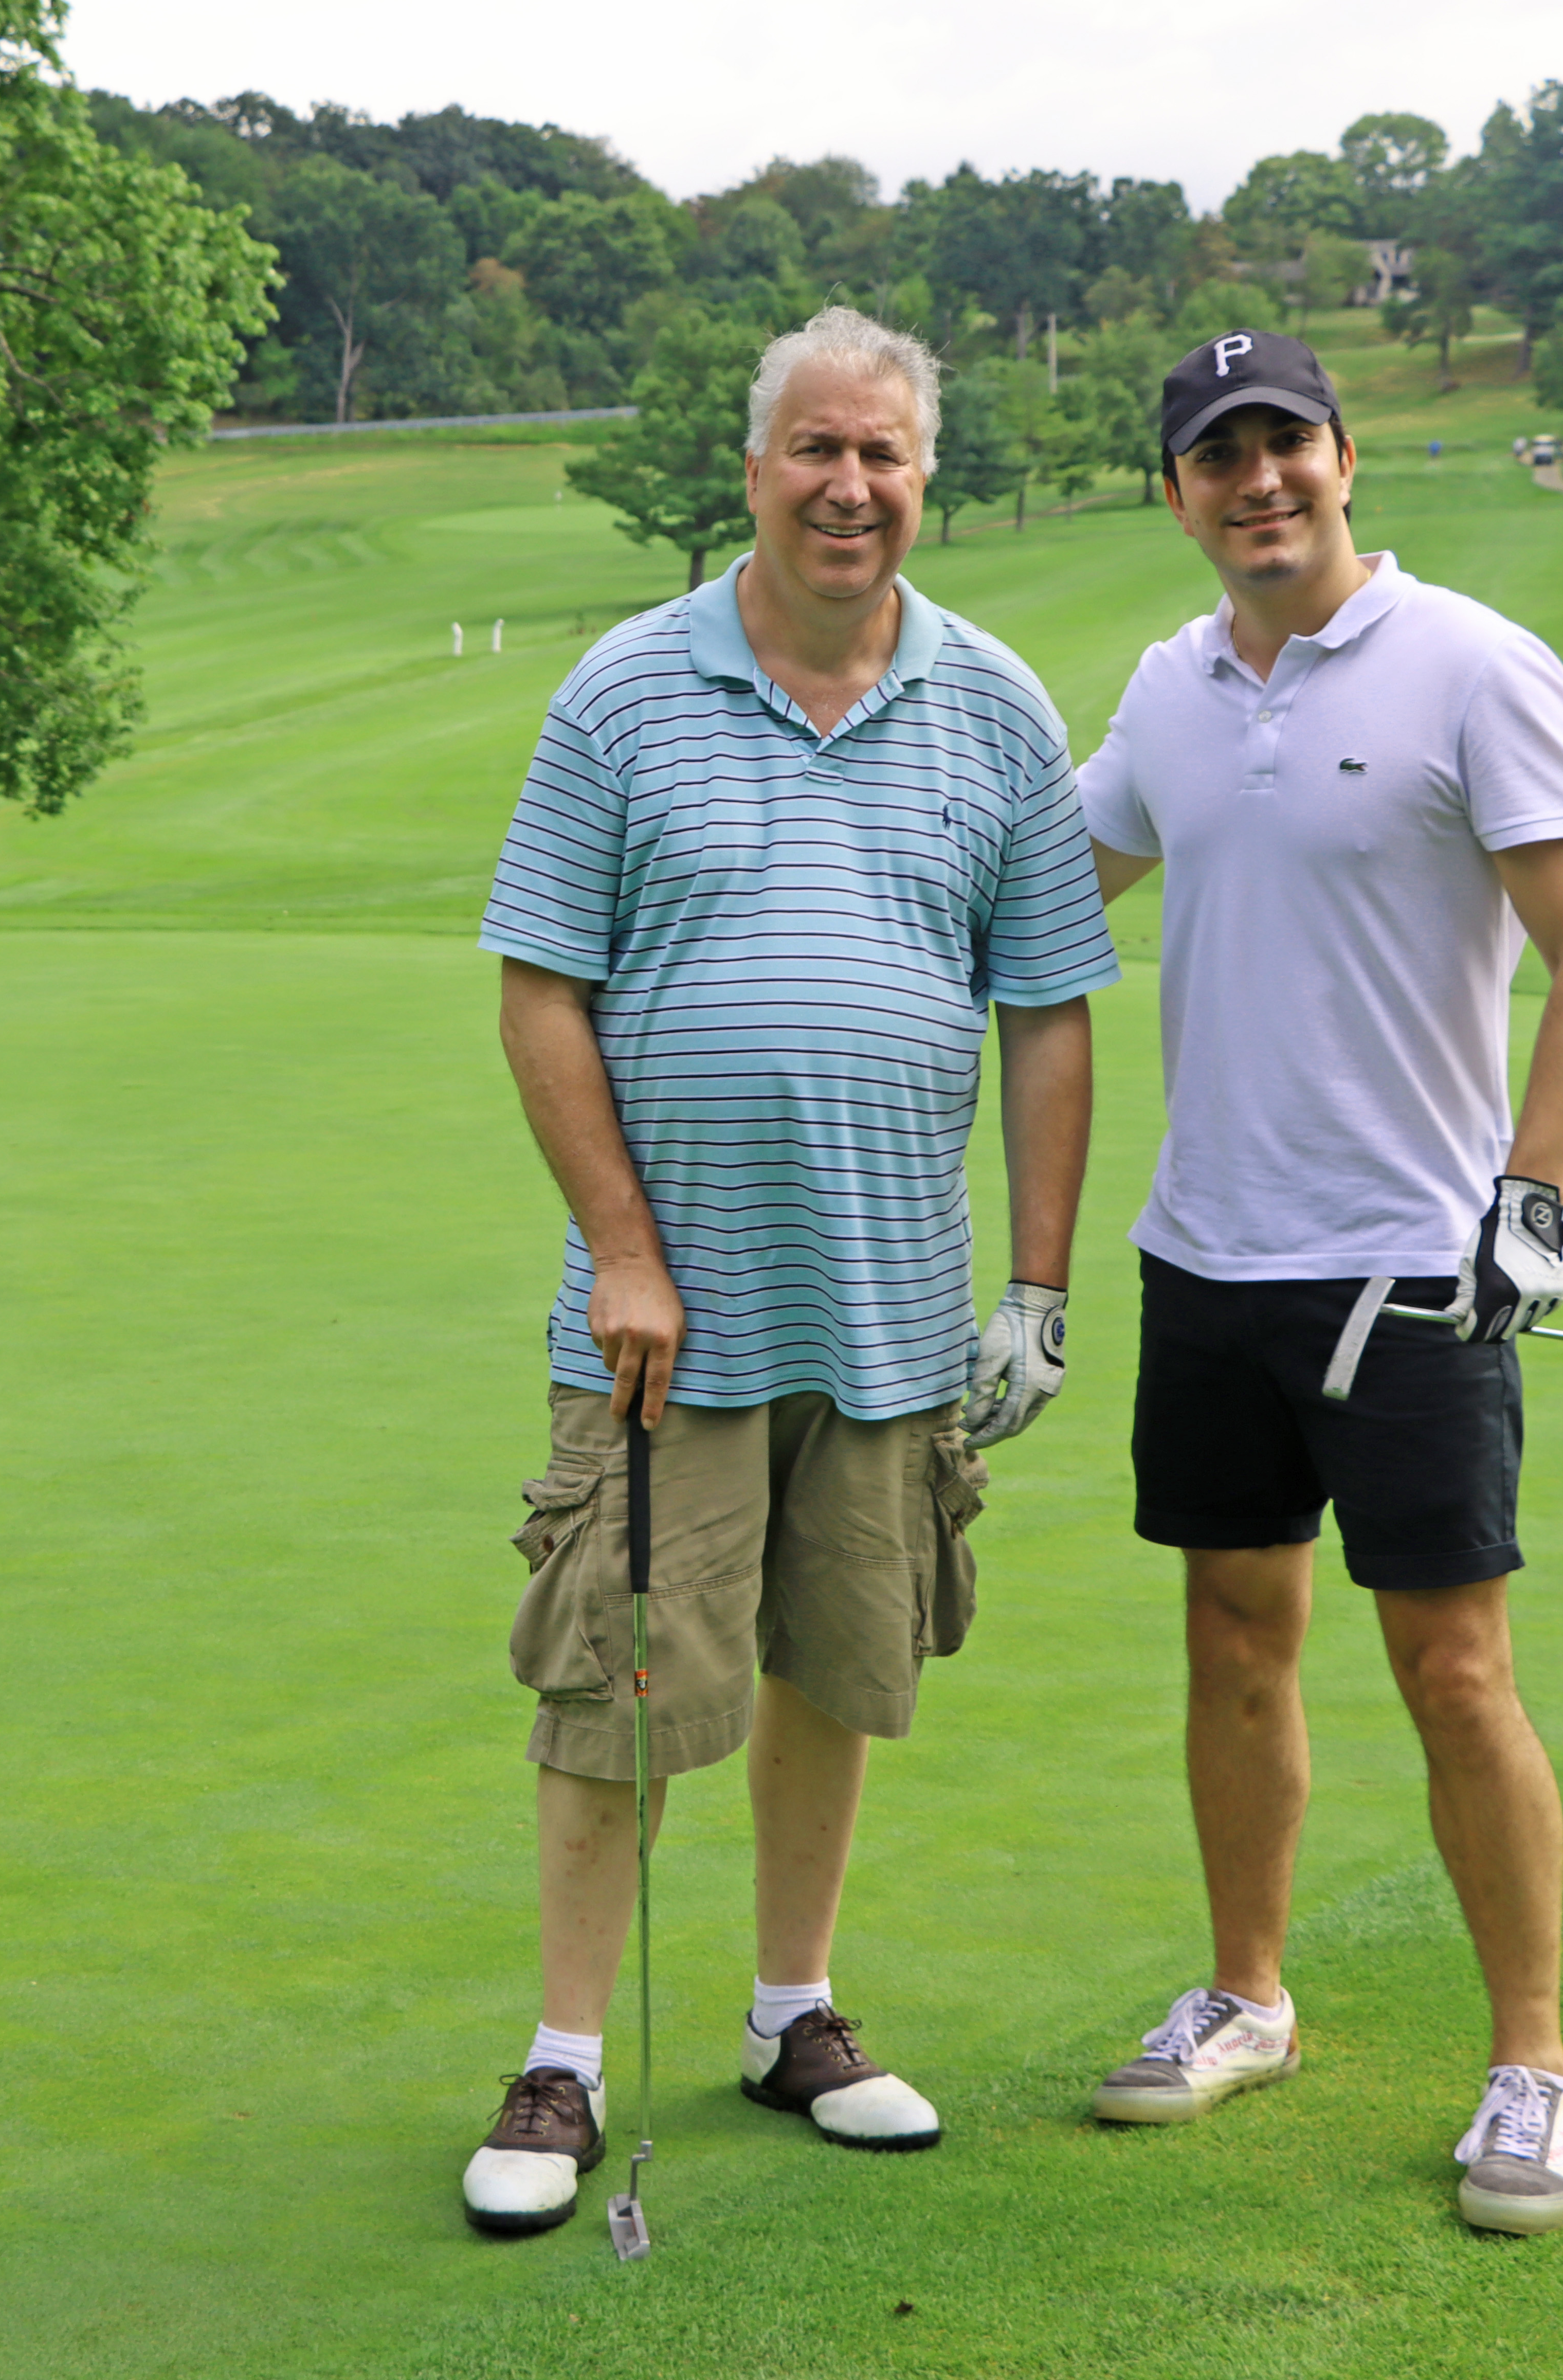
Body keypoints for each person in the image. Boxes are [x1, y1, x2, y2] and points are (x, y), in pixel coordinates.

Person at [457, 308, 1117, 2237]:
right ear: (754, 473)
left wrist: (1040, 1289)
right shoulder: (624, 690)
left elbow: (1052, 1012)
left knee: (841, 1661)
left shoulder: (994, 702)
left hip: (896, 1300)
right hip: (674, 1317)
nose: (851, 487)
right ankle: (566, 2061)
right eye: (815, 451)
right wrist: (626, 1252)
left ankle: (791, 2011)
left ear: (927, 479)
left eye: (885, 456)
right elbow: (539, 989)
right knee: (623, 1680)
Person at [1071, 328, 1563, 2236]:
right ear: (1178, 492)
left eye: (1283, 443)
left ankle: (1534, 2066)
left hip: (1410, 1271)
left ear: (1343, 457)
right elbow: (1051, 889)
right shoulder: (1168, 688)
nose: (1257, 480)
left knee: (1453, 1668)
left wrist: (1535, 1194)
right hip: (1208, 1254)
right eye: (1216, 454)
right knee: (1233, 1637)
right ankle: (1248, 1996)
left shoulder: (1475, 666)